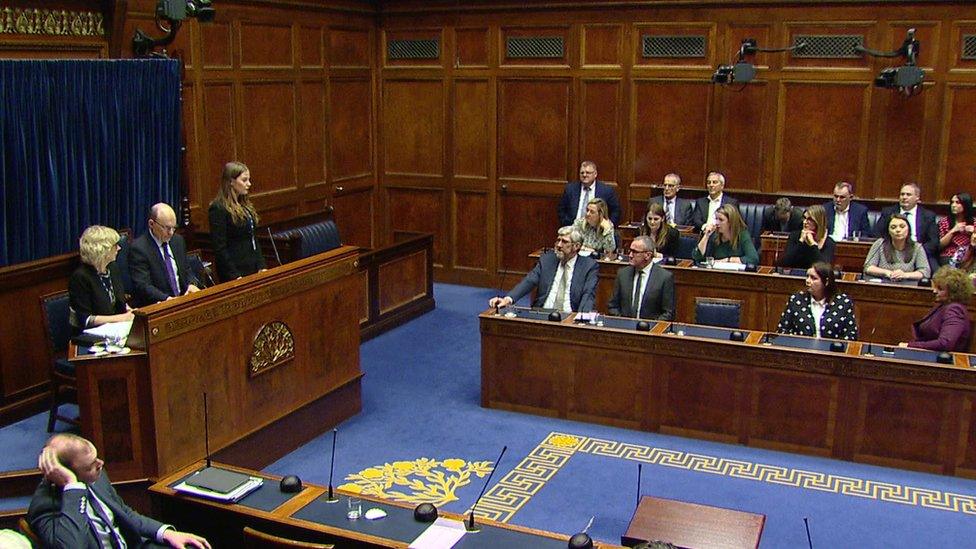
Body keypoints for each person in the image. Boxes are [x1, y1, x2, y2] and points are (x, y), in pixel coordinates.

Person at [27, 433, 210, 549]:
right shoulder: (44, 507)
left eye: (97, 458)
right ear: (67, 473)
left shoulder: (97, 477)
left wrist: (167, 533)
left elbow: (124, 513)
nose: (101, 464)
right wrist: (72, 488)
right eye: (91, 465)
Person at [488, 227, 598, 312]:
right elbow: (529, 281)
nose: (559, 245)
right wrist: (508, 299)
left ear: (576, 246)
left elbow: (588, 294)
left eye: (564, 242)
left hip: (570, 317)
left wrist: (582, 317)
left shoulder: (588, 266)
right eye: (558, 240)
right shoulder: (547, 260)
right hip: (543, 314)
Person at [128, 203, 201, 307]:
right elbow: (143, 285)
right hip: (159, 305)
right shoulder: (139, 248)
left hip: (184, 301)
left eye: (173, 228)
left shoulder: (177, 241)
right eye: (167, 228)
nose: (171, 233)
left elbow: (186, 269)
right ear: (151, 224)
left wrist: (191, 284)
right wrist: (167, 299)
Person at [68, 226, 134, 335]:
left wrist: (130, 311)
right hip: (91, 337)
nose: (119, 248)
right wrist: (122, 318)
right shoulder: (80, 277)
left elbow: (118, 301)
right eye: (115, 245)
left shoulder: (113, 268)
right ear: (103, 250)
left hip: (116, 330)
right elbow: (86, 320)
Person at [208, 161, 266, 281]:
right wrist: (234, 275)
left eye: (248, 180)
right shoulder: (218, 208)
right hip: (235, 273)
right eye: (244, 180)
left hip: (253, 268)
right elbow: (220, 248)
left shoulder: (245, 205)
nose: (248, 184)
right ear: (231, 182)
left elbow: (253, 238)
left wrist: (261, 265)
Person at [776, 262, 858, 340]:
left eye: (813, 278)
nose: (807, 281)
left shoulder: (843, 302)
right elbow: (782, 330)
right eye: (807, 276)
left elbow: (851, 335)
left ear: (826, 282)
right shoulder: (796, 299)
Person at [899, 266, 972, 352]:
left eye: (940, 289)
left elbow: (945, 343)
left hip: (943, 361)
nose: (934, 291)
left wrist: (910, 346)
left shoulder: (954, 310)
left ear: (953, 291)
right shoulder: (943, 305)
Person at [607, 236, 675, 320]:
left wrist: (651, 327)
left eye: (635, 252)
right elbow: (613, 306)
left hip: (650, 330)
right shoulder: (622, 274)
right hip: (624, 328)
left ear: (648, 255)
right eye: (630, 251)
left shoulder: (664, 277)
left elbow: (668, 313)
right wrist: (623, 322)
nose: (630, 255)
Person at [875, 182, 939, 270]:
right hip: (892, 251)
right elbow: (878, 234)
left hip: (922, 253)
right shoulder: (888, 212)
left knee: (937, 274)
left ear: (917, 197)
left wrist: (918, 252)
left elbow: (933, 242)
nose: (904, 197)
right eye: (902, 194)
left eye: (908, 195)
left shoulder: (928, 215)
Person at [863, 213, 931, 280]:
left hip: (907, 285)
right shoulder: (879, 244)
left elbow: (925, 272)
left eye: (902, 226)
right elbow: (868, 267)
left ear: (908, 229)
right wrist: (888, 273)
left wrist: (905, 275)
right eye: (893, 227)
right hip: (883, 283)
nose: (898, 230)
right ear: (888, 231)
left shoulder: (917, 247)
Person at [557, 161, 621, 227]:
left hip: (597, 231)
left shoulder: (606, 190)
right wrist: (567, 223)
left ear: (595, 174)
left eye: (588, 173)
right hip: (573, 228)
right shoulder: (570, 189)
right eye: (582, 173)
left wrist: (607, 226)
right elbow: (561, 209)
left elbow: (616, 211)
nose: (584, 175)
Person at [692, 204, 759, 265]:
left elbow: (753, 259)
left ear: (731, 222)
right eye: (716, 219)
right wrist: (706, 236)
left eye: (721, 220)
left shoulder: (742, 234)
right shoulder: (714, 234)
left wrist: (728, 260)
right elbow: (697, 257)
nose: (717, 223)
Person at [778, 204, 836, 268]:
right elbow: (784, 263)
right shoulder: (794, 236)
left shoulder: (829, 242)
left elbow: (824, 269)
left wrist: (813, 244)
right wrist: (800, 241)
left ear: (818, 221)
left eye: (810, 219)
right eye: (804, 218)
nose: (805, 222)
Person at [937, 192, 975, 266]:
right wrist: (953, 231)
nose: (953, 205)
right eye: (952, 202)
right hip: (949, 255)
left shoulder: (974, 222)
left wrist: (974, 232)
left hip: (969, 255)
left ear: (966, 205)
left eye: (957, 203)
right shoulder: (944, 222)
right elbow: (939, 245)